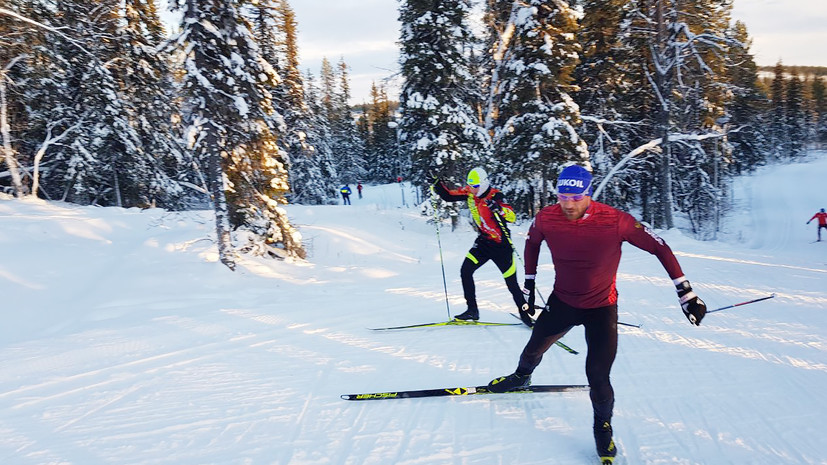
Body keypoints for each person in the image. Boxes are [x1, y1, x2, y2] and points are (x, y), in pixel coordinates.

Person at [486, 164, 707, 465]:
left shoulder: (616, 221)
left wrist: (685, 291)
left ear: (588, 193)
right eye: (563, 196)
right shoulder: (546, 217)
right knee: (533, 349)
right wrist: (529, 282)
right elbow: (532, 242)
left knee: (598, 376)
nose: (569, 203)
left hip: (601, 308)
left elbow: (660, 247)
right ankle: (520, 378)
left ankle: (602, 426)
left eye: (576, 197)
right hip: (562, 302)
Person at [433, 167, 533, 325]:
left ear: (484, 184)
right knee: (465, 271)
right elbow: (449, 196)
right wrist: (436, 183)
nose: (472, 189)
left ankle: (525, 314)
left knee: (511, 283)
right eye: (470, 186)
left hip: (501, 246)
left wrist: (499, 209)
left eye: (475, 186)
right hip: (484, 242)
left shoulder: (495, 196)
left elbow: (511, 216)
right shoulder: (469, 193)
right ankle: (472, 310)